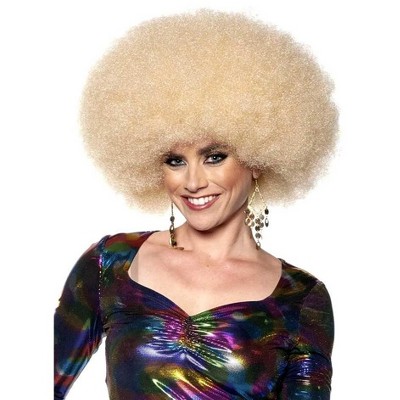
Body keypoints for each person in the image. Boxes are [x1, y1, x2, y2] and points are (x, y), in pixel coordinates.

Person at [54, 10, 338, 400]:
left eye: (214, 156)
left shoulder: (301, 299)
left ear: (257, 157)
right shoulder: (110, 263)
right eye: (175, 160)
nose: (192, 182)